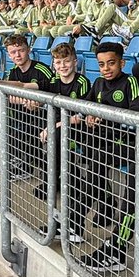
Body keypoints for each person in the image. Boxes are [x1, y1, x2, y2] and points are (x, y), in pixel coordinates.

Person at [75, 43, 139, 273]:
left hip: (126, 145)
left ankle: (83, 224)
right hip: (103, 144)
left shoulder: (130, 82)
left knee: (97, 162)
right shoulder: (97, 83)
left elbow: (136, 112)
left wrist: (104, 116)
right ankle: (80, 220)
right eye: (101, 64)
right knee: (91, 164)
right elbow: (83, 106)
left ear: (122, 63)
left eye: (111, 63)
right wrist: (88, 115)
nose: (106, 68)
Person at [0, 34, 54, 181]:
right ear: (8, 55)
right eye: (13, 52)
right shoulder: (12, 72)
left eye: (20, 50)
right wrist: (25, 99)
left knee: (28, 136)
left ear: (28, 50)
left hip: (44, 117)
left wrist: (37, 101)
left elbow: (52, 91)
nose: (17, 55)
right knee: (13, 135)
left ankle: (38, 168)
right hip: (22, 118)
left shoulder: (42, 69)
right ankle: (29, 165)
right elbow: (9, 96)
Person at [32, 41, 92, 211]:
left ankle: (65, 184)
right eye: (58, 62)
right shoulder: (53, 80)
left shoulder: (83, 82)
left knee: (56, 141)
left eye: (66, 61)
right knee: (34, 130)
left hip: (78, 130)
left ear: (75, 62)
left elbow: (81, 115)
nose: (62, 65)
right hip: (58, 127)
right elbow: (24, 86)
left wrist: (54, 126)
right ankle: (57, 182)